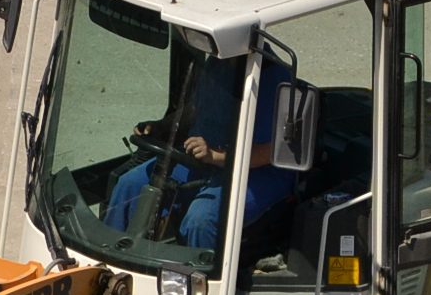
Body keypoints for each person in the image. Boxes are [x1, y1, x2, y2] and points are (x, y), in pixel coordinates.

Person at [103, 50, 294, 251]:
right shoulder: (219, 60)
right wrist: (162, 126)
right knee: (130, 185)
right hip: (203, 160)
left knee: (201, 220)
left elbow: (274, 150)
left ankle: (201, 270)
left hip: (255, 172)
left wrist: (214, 155)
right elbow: (194, 108)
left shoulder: (275, 78)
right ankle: (109, 256)